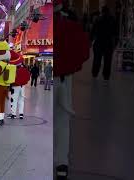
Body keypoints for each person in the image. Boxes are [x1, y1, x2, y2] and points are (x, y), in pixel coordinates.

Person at [55, 0, 90, 179]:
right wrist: (72, 67)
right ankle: (62, 163)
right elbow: (84, 52)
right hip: (64, 79)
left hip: (47, 80)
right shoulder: (71, 26)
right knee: (62, 121)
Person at [91, 6, 116, 84]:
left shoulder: (98, 19)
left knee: (97, 59)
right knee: (107, 60)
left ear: (102, 11)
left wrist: (90, 40)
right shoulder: (112, 20)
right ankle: (106, 76)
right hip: (108, 42)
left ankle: (95, 74)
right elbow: (115, 32)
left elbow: (93, 31)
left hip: (99, 42)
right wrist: (115, 43)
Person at [7, 51, 30, 119]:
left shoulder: (12, 70)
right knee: (21, 100)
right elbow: (28, 78)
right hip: (23, 87)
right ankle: (21, 114)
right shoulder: (25, 69)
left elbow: (10, 79)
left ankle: (13, 114)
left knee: (14, 100)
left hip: (15, 87)